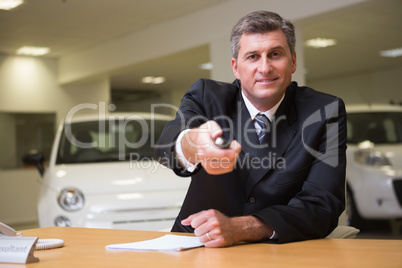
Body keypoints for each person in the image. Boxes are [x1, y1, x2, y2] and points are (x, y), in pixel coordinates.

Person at [155, 10, 346, 247]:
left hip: (280, 250)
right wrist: (193, 144)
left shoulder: (324, 110)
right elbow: (168, 142)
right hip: (196, 243)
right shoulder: (207, 96)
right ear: (235, 67)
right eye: (253, 56)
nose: (265, 68)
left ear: (293, 61)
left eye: (275, 54)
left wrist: (243, 227)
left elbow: (323, 204)